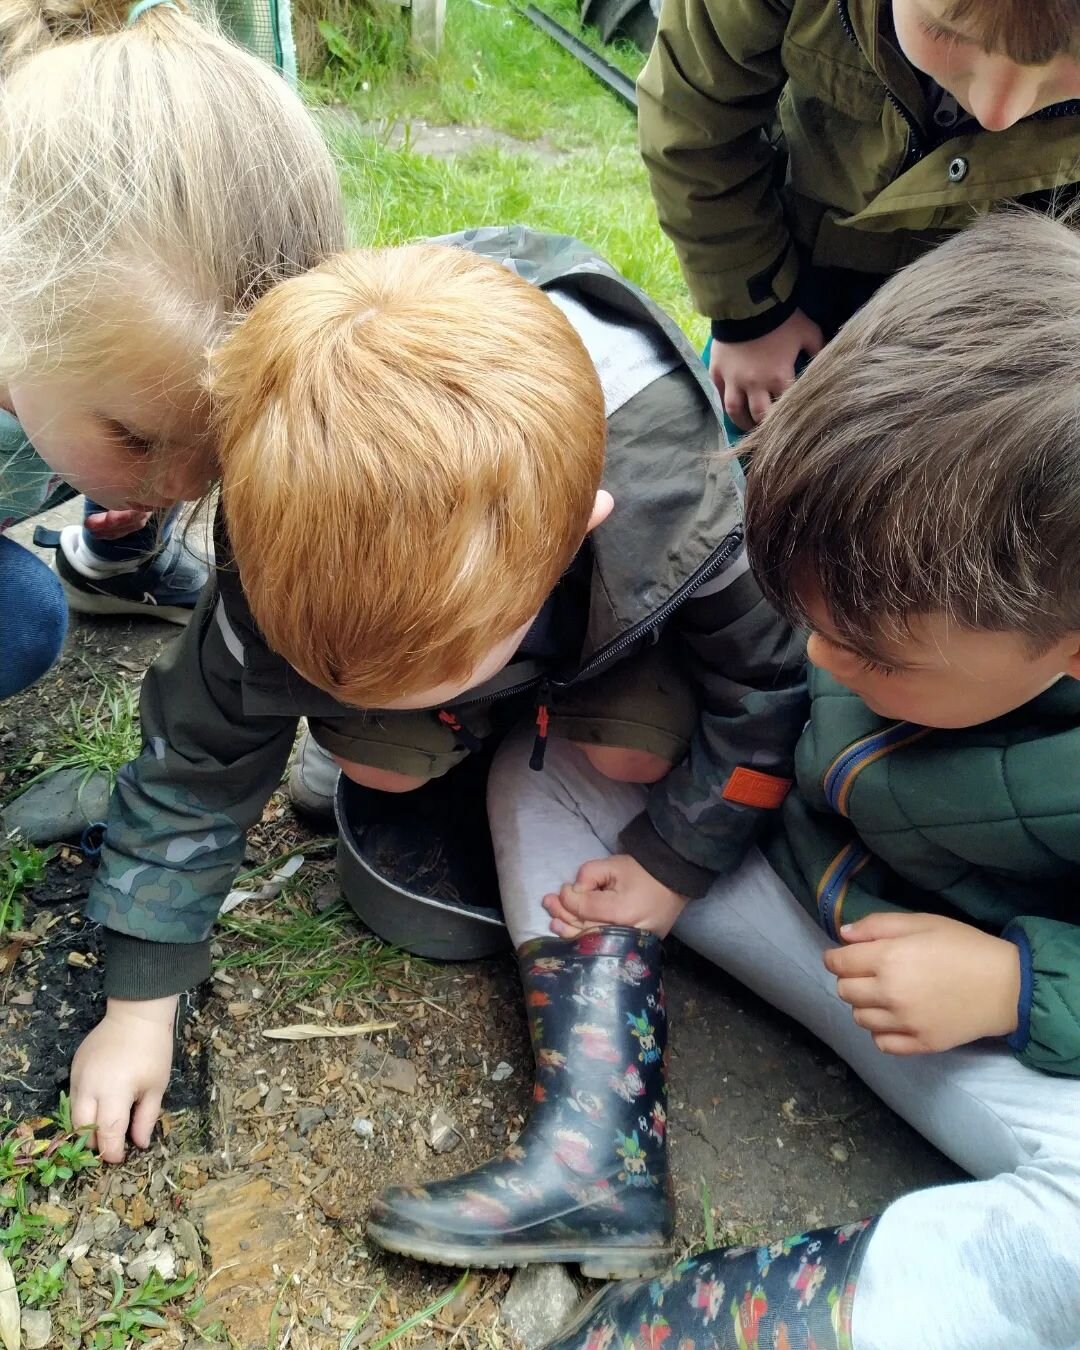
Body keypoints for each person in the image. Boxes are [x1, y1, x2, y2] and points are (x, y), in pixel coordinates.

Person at [69, 228, 807, 1279]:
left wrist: (673, 859)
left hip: (615, 625)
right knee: (379, 760)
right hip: (501, 602)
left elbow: (765, 689)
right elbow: (196, 760)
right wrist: (141, 1001)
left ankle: (497, 707)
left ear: (577, 529)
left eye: (439, 674)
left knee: (643, 756)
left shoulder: (673, 502)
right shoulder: (283, 533)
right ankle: (424, 720)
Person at [481, 211, 1080, 1350]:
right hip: (807, 887)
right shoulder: (898, 575)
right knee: (550, 763)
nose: (815, 657)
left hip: (986, 1033)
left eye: (870, 651)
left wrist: (1018, 984)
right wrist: (677, 856)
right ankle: (592, 1144)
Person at [0, 0, 344, 701]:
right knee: (24, 618)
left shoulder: (86, 380)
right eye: (135, 438)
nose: (188, 489)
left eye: (213, 454)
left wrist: (133, 461)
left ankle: (118, 558)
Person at [637, 0, 1080, 430]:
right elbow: (693, 117)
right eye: (945, 31)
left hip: (985, 334)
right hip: (782, 271)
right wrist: (752, 315)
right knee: (739, 463)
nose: (997, 111)